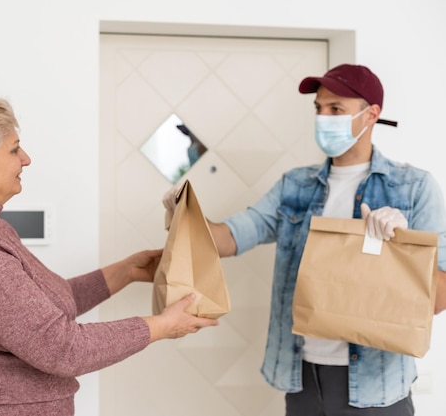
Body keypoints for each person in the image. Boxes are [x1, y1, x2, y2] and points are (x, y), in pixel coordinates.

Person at [0, 96, 219, 416]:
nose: (25, 159)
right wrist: (161, 327)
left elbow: (50, 303)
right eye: (14, 149)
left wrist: (126, 271)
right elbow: (62, 348)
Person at [163, 64, 446, 415]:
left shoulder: (415, 188)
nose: (323, 118)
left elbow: (437, 299)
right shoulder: (294, 185)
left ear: (371, 114)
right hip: (302, 380)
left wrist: (401, 247)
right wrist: (185, 215)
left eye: (336, 109)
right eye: (319, 108)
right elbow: (228, 239)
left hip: (377, 386)